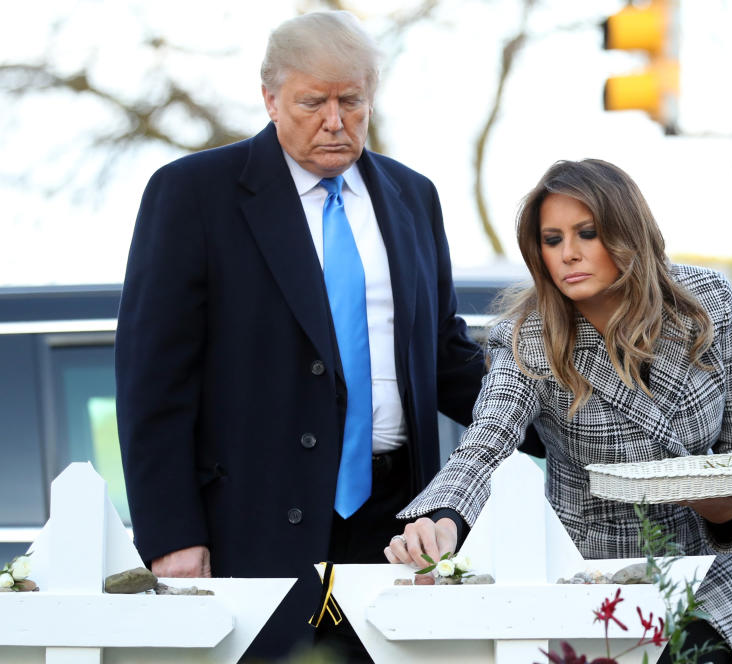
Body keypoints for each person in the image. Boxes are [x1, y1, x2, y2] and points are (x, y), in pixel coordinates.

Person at [115, 11, 489, 661]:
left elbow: (444, 358)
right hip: (252, 529)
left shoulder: (413, 197)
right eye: (312, 102)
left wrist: (568, 413)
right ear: (270, 98)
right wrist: (171, 532)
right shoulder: (193, 195)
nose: (335, 120)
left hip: (394, 526)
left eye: (351, 100)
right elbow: (154, 381)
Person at [385, 159, 732, 664]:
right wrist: (440, 520)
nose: (568, 254)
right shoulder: (528, 339)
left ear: (626, 231)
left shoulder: (704, 302)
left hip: (712, 585)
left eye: (587, 233)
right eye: (551, 240)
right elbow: (486, 445)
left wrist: (725, 508)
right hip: (596, 588)